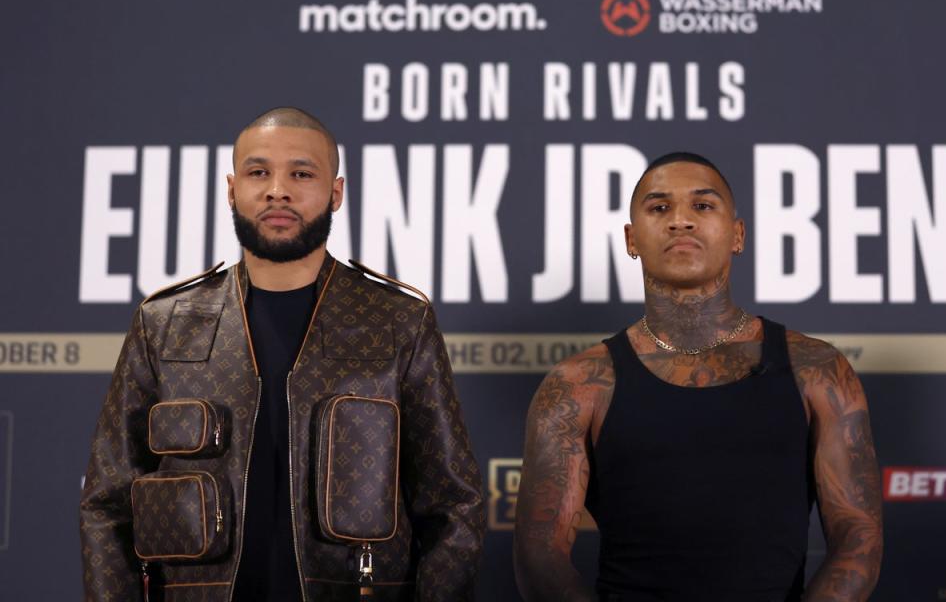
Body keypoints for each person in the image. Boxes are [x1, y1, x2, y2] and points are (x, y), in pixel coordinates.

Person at [80, 107, 485, 602]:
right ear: (232, 189)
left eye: (300, 172)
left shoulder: (398, 321)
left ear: (335, 193)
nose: (277, 189)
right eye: (258, 173)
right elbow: (107, 503)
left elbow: (454, 505)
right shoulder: (164, 324)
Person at [513, 152, 883, 601]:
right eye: (659, 208)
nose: (680, 221)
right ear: (632, 239)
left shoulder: (817, 369)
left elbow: (857, 540)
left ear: (738, 234)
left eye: (703, 206)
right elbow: (539, 557)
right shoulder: (577, 385)